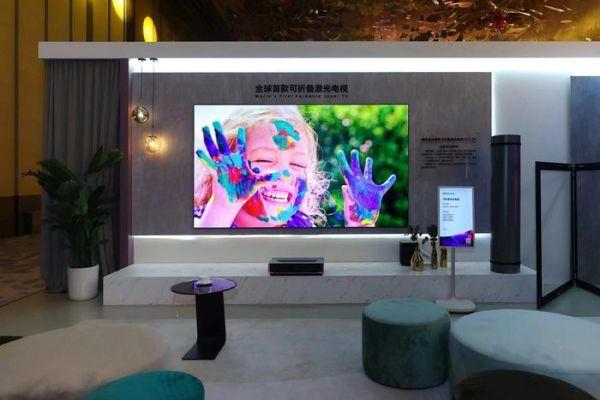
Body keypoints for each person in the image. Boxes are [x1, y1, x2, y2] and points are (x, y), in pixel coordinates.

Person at [194, 106, 396, 228]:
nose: (285, 175)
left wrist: (361, 225)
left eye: (297, 164)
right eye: (264, 160)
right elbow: (201, 267)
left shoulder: (300, 225)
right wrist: (223, 206)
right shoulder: (206, 222)